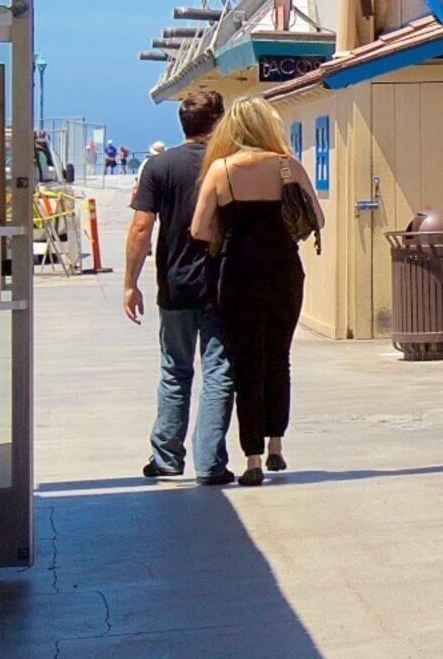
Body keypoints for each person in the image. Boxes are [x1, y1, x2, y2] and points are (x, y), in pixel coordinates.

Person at [189, 96, 316, 487]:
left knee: (248, 364)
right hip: (284, 271)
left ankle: (253, 458)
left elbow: (199, 229)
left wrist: (229, 231)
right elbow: (317, 217)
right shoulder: (287, 166)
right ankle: (276, 443)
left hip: (240, 274)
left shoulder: (221, 170)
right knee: (279, 357)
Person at [124, 90, 234, 485]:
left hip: (175, 285)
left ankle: (166, 457)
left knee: (175, 371)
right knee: (219, 372)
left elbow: (141, 227)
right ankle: (211, 463)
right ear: (218, 121)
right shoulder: (228, 164)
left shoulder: (159, 166)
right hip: (222, 284)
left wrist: (130, 283)